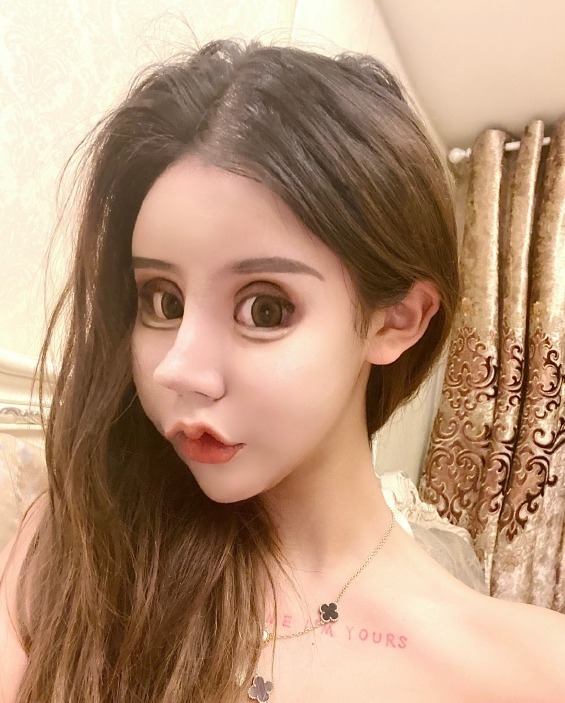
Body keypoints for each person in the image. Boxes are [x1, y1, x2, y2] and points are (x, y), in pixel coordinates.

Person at [0, 39, 564, 703]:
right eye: (163, 301)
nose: (179, 369)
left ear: (396, 320)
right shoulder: (74, 549)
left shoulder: (528, 672)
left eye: (264, 308)